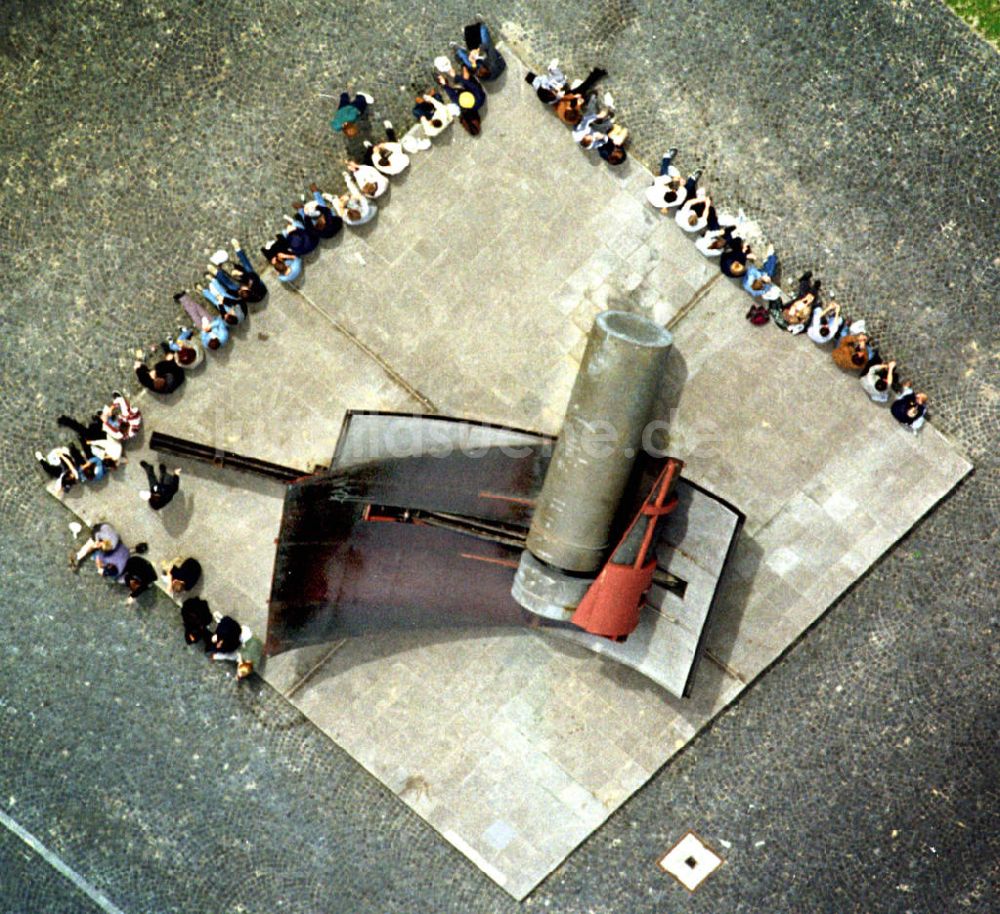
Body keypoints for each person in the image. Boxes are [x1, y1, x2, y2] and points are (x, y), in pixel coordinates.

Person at [437, 66, 487, 134]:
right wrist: (455, 76)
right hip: (474, 88)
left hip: (471, 90)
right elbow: (470, 85)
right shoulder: (479, 98)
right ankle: (465, 67)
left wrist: (444, 84)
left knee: (463, 79)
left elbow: (452, 95)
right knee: (466, 77)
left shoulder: (462, 103)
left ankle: (463, 69)